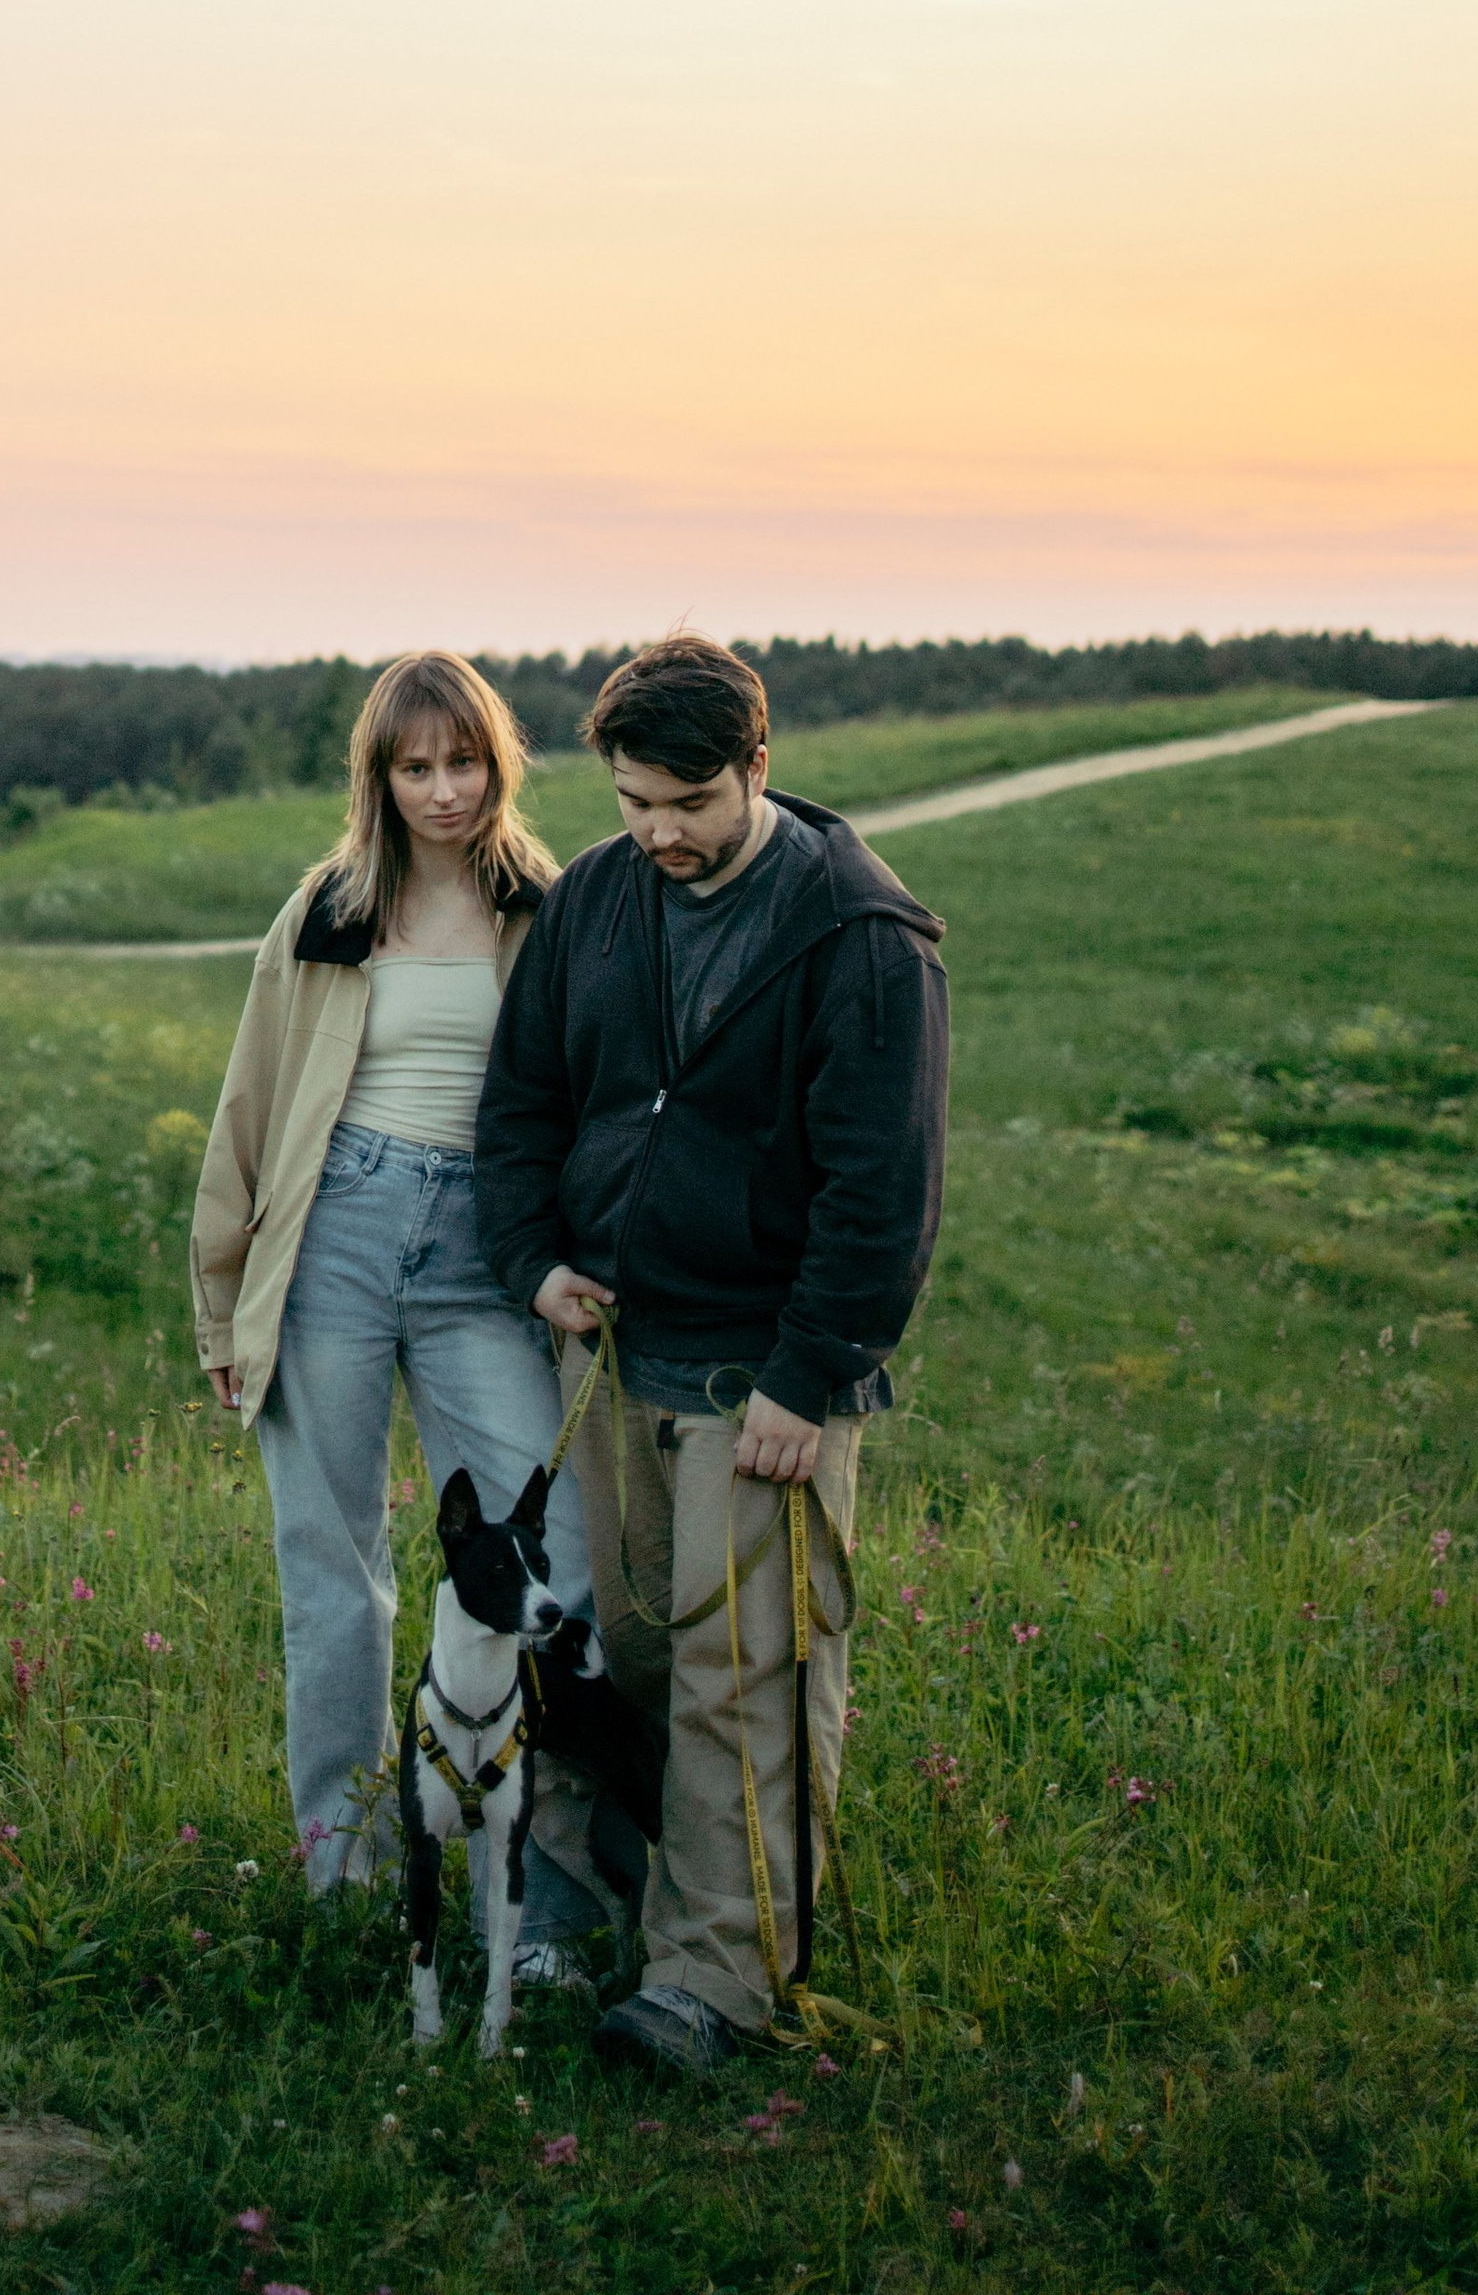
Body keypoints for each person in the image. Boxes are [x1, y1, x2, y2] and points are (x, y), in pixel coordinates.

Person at [474, 632, 949, 2073]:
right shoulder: (597, 902)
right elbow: (524, 1106)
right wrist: (535, 1261)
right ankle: (616, 1916)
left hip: (765, 1379)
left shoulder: (861, 936)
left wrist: (813, 1374)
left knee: (752, 1671)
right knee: (630, 1656)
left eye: (690, 802)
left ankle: (717, 1982)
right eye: (634, 802)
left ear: (759, 765)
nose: (661, 833)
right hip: (616, 1359)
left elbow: (886, 1185)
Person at [190, 650, 608, 1966]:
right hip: (339, 1240)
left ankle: (547, 1894)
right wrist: (224, 1311)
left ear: (500, 762)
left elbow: (583, 1102)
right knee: (337, 1576)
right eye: (414, 767)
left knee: (557, 1559)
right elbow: (249, 1108)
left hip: (485, 1252)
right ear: (379, 775)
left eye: (463, 762)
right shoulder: (325, 911)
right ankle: (350, 1874)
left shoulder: (549, 909)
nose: (442, 790)